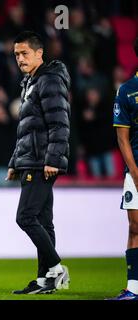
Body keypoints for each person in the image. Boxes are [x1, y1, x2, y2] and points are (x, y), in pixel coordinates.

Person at [5, 31, 71, 294]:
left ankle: (55, 268)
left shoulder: (49, 81)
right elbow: (26, 128)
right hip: (30, 159)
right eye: (16, 54)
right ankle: (45, 280)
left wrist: (52, 159)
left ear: (39, 53)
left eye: (24, 53)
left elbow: (59, 123)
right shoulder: (30, 81)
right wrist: (14, 161)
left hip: (41, 161)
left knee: (25, 217)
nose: (20, 58)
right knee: (44, 220)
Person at [108, 37, 138, 300]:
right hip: (136, 171)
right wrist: (135, 172)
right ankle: (133, 289)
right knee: (135, 227)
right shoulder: (127, 90)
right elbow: (122, 138)